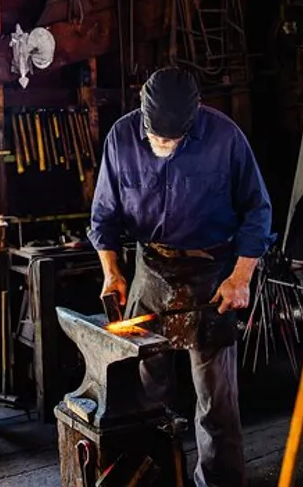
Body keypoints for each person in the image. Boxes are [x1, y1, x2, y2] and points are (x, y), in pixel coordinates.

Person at [88, 67, 273, 487]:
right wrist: (112, 272)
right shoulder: (120, 139)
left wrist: (241, 276)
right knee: (144, 389)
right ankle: (151, 475)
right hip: (149, 269)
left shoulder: (226, 139)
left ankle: (219, 481)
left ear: (194, 119)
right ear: (142, 111)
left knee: (215, 397)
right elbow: (104, 216)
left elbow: (257, 212)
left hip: (211, 273)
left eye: (173, 140)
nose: (163, 146)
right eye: (157, 137)